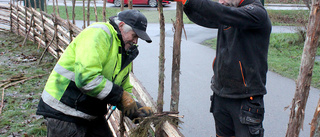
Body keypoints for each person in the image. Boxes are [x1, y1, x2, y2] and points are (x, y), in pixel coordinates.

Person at [36, 9, 153, 137]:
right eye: (134, 36)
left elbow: (124, 88)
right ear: (121, 26)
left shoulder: (124, 52)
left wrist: (138, 111)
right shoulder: (99, 34)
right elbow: (86, 79)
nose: (135, 41)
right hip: (64, 108)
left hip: (88, 111)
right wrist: (120, 95)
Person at [170, 0, 271, 136]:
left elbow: (221, 12)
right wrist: (187, 5)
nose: (220, 1)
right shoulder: (229, 14)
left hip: (246, 99)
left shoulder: (257, 13)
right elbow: (207, 17)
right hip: (221, 96)